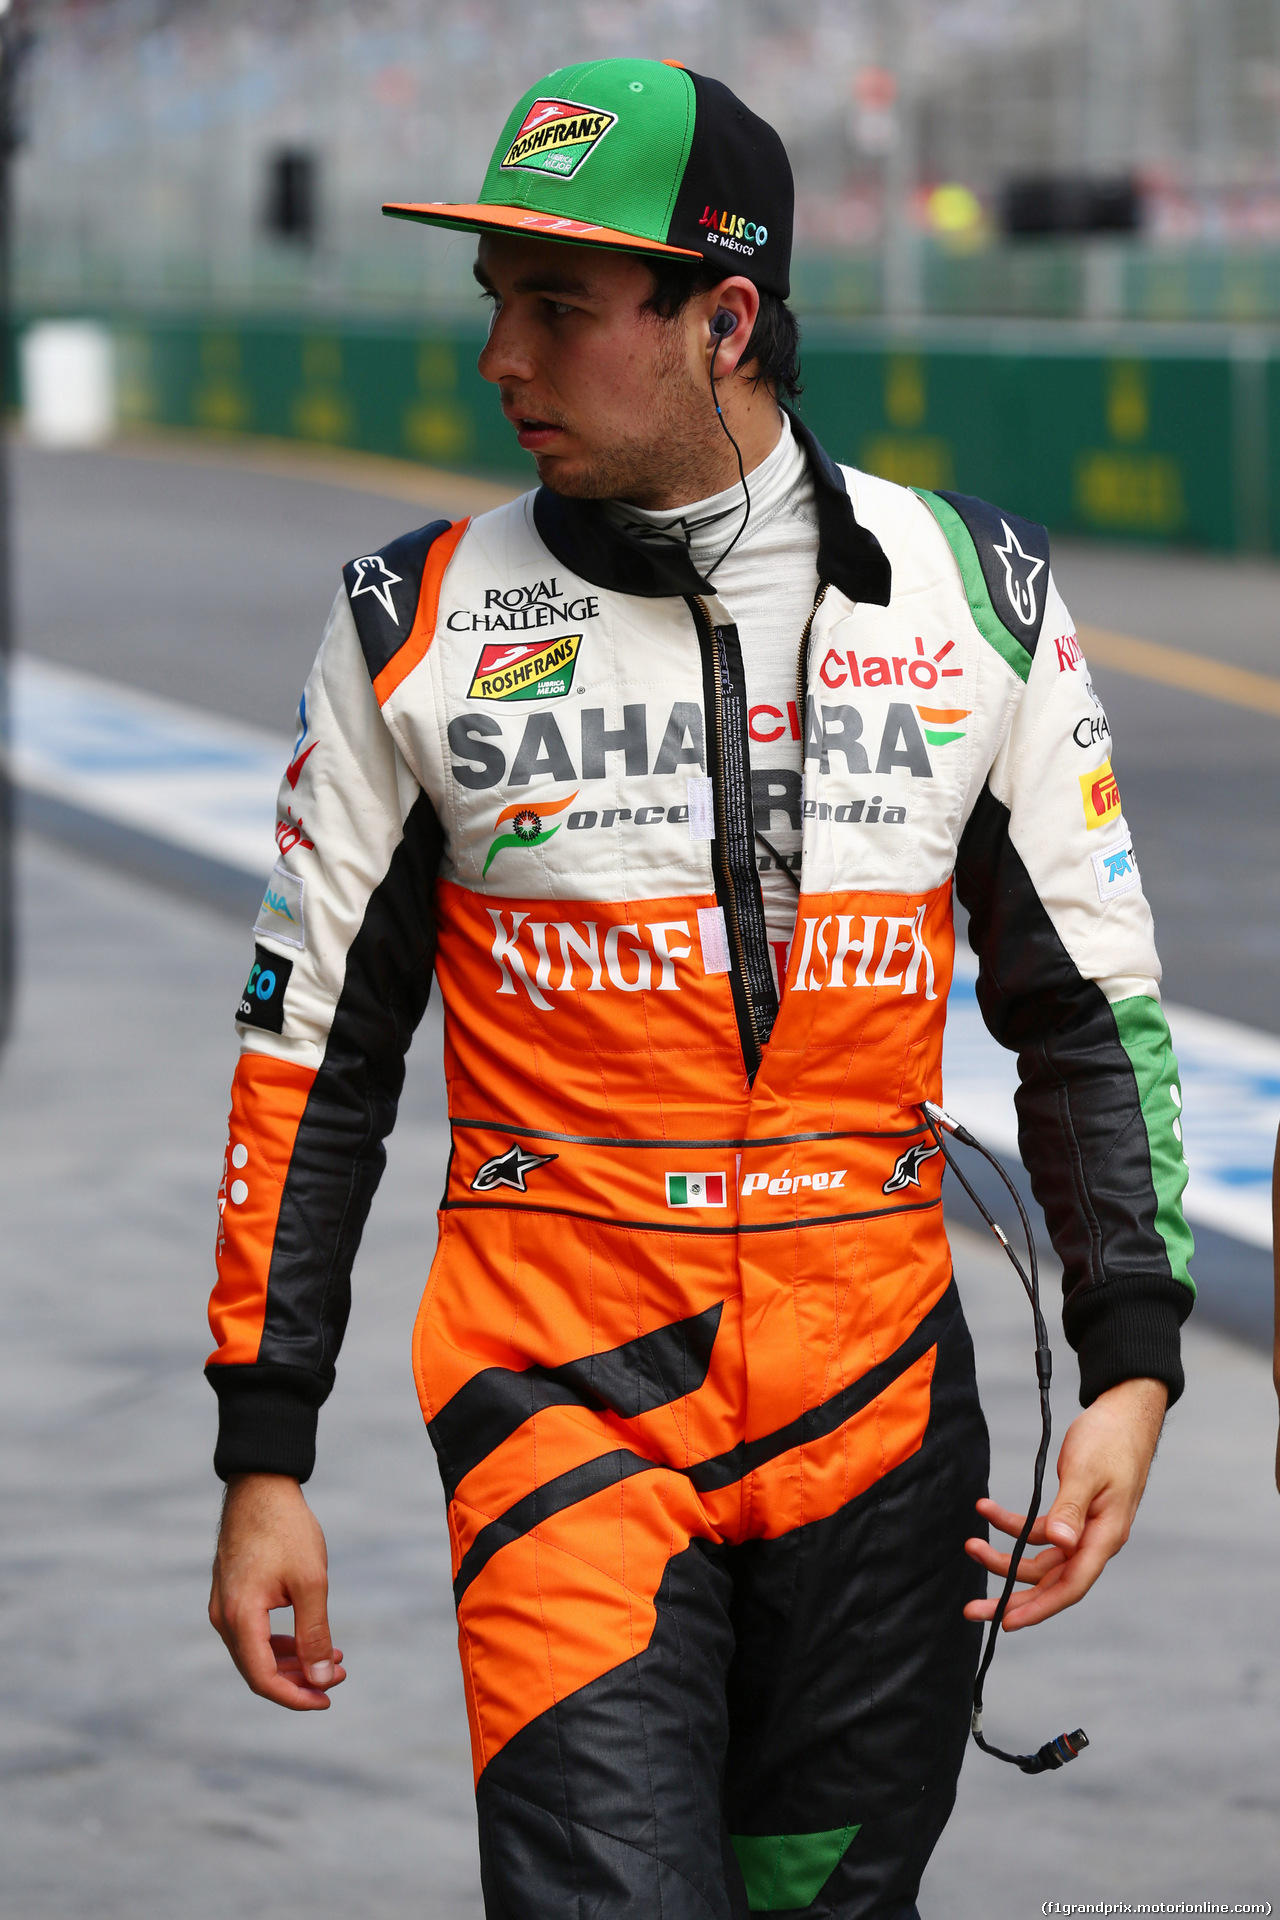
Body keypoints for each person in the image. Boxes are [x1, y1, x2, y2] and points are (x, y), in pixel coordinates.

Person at [206, 57, 1193, 1919]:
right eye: (492, 299)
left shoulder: (976, 597)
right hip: (560, 1403)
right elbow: (313, 1058)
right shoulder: (407, 625)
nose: (498, 356)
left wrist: (1131, 1364)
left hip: (879, 1417)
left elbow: (1088, 1008)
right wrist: (266, 1447)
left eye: (557, 308)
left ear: (723, 318)